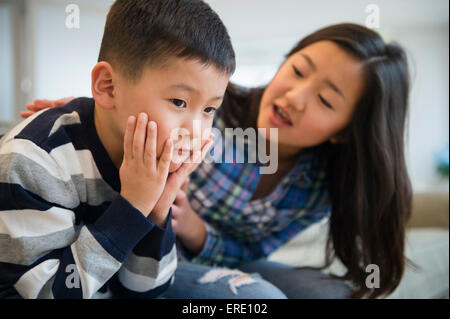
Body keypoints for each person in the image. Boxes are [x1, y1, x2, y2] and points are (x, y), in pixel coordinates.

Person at [21, 23, 413, 299]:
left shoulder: (318, 189)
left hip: (195, 254)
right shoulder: (210, 106)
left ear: (345, 130)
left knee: (333, 293)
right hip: (143, 252)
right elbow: (143, 102)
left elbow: (250, 253)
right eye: (297, 70)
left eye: (326, 101)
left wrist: (195, 230)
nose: (294, 96)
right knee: (263, 297)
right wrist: (92, 114)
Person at [0, 0, 242, 299]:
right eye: (179, 102)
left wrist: (157, 210)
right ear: (108, 87)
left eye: (208, 109)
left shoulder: (158, 161)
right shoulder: (37, 158)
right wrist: (132, 206)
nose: (195, 130)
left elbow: (145, 291)